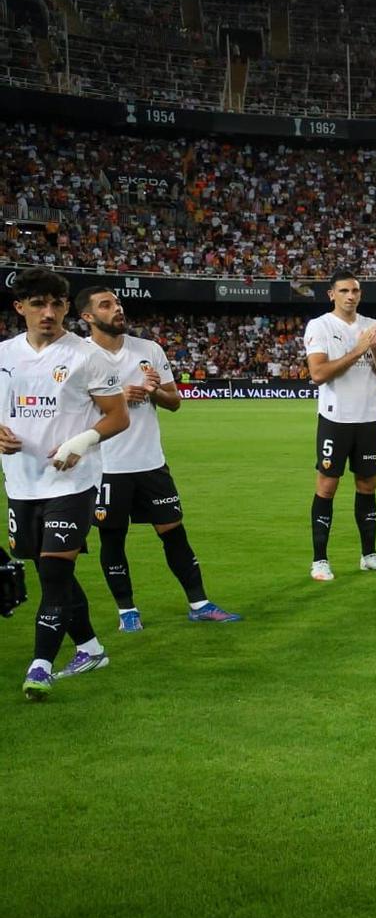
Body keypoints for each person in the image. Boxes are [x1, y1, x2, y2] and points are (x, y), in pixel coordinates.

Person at [77, 285, 240, 627]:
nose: (117, 309)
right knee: (113, 537)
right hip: (107, 466)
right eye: (106, 305)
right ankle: (127, 612)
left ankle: (200, 603)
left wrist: (153, 392)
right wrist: (115, 396)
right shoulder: (79, 355)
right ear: (87, 317)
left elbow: (174, 401)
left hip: (150, 461)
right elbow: (69, 410)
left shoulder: (148, 348)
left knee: (174, 532)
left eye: (118, 303)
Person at [0, 267, 129, 698]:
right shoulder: (4, 355)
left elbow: (118, 415)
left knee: (55, 571)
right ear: (20, 308)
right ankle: (90, 647)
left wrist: (81, 441)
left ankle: (40, 666)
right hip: (21, 483)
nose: (49, 312)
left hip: (72, 482)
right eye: (38, 304)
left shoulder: (86, 355)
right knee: (48, 570)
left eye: (56, 304)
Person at [305, 271, 376, 581]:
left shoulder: (372, 327)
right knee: (327, 486)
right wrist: (359, 349)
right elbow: (318, 373)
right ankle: (320, 560)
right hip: (336, 418)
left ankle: (369, 555)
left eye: (355, 290)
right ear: (331, 294)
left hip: (370, 417)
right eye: (344, 290)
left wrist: (374, 347)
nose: (351, 296)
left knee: (368, 486)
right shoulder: (320, 326)